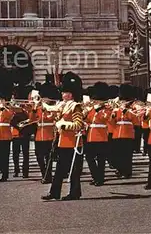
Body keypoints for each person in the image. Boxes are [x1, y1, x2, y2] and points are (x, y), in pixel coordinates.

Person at [42, 72, 85, 201]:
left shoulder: (75, 107)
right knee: (59, 170)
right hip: (63, 142)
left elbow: (78, 124)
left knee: (74, 170)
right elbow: (52, 110)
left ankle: (74, 193)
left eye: (64, 92)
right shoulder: (64, 106)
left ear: (70, 94)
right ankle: (55, 192)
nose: (62, 94)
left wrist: (64, 125)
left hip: (73, 143)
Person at [84, 82, 110, 186]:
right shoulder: (91, 110)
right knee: (89, 157)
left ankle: (100, 178)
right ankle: (96, 176)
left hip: (101, 136)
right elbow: (87, 120)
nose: (94, 101)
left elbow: (104, 119)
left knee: (101, 159)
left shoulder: (106, 110)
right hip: (90, 136)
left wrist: (97, 109)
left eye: (96, 100)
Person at [110, 84, 138, 179]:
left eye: (124, 100)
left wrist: (126, 110)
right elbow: (111, 121)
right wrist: (113, 114)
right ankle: (120, 169)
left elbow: (135, 120)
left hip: (128, 133)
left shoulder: (133, 107)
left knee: (127, 154)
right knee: (118, 153)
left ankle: (127, 172)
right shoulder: (117, 108)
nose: (122, 102)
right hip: (117, 133)